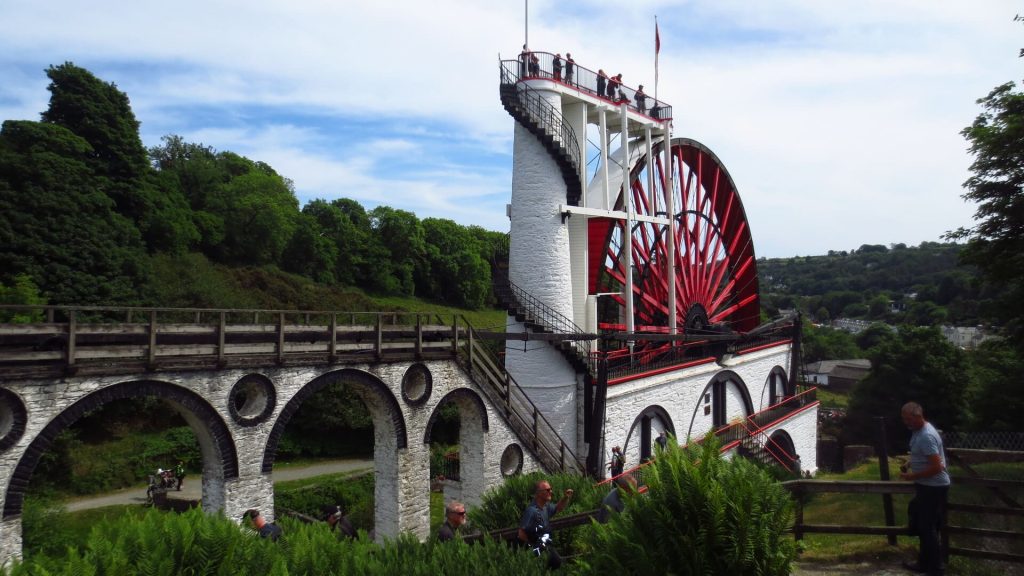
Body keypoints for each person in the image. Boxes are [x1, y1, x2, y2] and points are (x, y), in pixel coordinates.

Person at [898, 402, 949, 576]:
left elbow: (938, 467)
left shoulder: (926, 435)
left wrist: (912, 476)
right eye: (904, 419)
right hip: (927, 486)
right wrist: (910, 462)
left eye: (908, 419)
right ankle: (924, 563)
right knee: (921, 522)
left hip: (933, 487)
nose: (906, 422)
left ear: (918, 416)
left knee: (927, 528)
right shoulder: (918, 431)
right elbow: (922, 454)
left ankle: (936, 568)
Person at [518, 480, 573, 569]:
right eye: (547, 490)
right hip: (538, 552)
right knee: (558, 564)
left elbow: (558, 508)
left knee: (559, 563)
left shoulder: (546, 507)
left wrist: (565, 498)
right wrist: (533, 549)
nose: (550, 492)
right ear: (539, 493)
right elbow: (521, 533)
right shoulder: (531, 511)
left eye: (550, 489)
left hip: (547, 547)